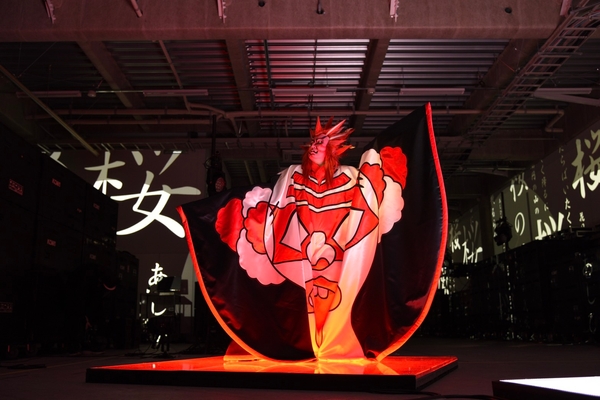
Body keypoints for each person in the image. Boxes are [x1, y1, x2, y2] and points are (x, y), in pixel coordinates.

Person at [178, 104, 447, 362]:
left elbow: (367, 211)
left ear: (333, 150)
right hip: (302, 260)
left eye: (321, 142)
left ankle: (340, 341)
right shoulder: (292, 176)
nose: (315, 145)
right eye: (314, 142)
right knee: (308, 308)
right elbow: (276, 208)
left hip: (340, 262)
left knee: (337, 306)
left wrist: (339, 244)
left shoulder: (350, 177)